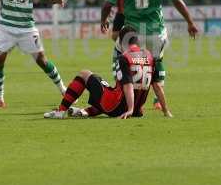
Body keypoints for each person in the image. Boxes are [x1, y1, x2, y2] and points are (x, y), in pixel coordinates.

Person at [101, 0, 198, 112]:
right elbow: (177, 1)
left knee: (120, 57)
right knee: (156, 62)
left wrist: (103, 20)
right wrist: (190, 22)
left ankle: (122, 93)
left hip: (132, 33)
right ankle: (157, 99)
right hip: (156, 32)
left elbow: (108, 4)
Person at [44, 26, 173, 119]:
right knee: (107, 89)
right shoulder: (150, 57)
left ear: (123, 42)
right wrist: (166, 111)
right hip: (138, 110)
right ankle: (85, 112)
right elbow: (157, 86)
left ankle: (61, 111)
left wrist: (129, 109)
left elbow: (127, 85)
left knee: (84, 74)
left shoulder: (124, 57)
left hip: (119, 107)